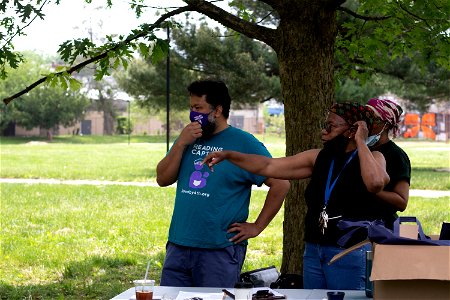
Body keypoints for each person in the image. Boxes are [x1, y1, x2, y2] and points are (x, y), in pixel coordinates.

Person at [202, 102, 391, 290]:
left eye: (330, 126)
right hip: (314, 250)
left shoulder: (374, 158)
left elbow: (375, 183)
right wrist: (229, 155)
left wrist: (360, 141)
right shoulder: (319, 157)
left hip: (349, 252)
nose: (323, 132)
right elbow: (269, 166)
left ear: (353, 130)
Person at [156, 79, 290, 288]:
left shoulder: (244, 142)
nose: (193, 113)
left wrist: (256, 227)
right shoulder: (188, 138)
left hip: (219, 248)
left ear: (217, 110)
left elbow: (281, 183)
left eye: (198, 108)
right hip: (178, 244)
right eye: (191, 107)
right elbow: (162, 179)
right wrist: (181, 142)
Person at [365, 98, 411, 227]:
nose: (366, 123)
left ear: (385, 124)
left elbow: (401, 201)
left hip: (381, 228)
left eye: (372, 119)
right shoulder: (361, 149)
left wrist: (372, 188)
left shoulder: (396, 155)